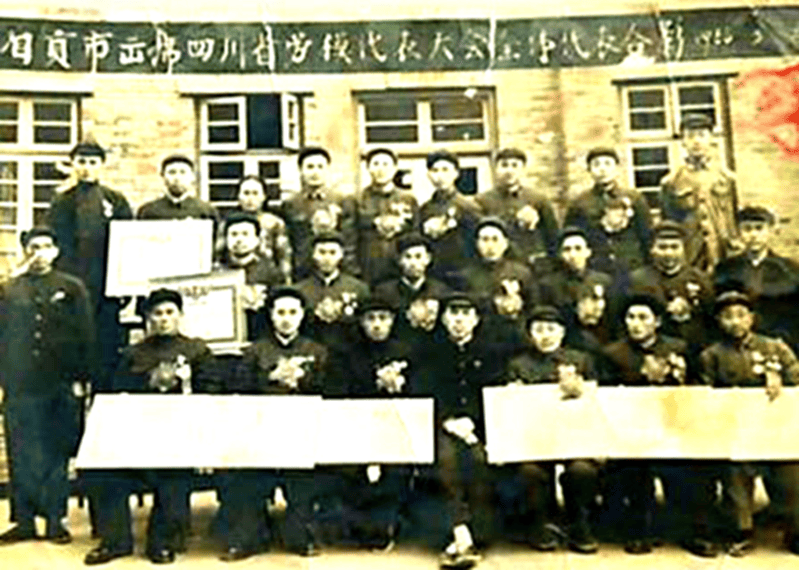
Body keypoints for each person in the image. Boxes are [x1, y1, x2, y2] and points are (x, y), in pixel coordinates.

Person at [84, 289, 216, 565]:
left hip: (180, 436)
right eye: (157, 313)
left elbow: (211, 394)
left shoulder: (197, 350)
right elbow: (118, 394)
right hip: (139, 435)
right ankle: (116, 541)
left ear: (180, 315)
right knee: (105, 473)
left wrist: (186, 384)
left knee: (173, 475)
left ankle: (162, 541)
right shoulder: (133, 353)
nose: (164, 319)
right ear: (147, 318)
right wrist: (148, 383)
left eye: (169, 312)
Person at [602, 294, 718, 557]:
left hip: (674, 424)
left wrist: (675, 380)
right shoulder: (613, 353)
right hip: (631, 430)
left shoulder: (679, 347)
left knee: (695, 464)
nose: (636, 324)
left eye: (643, 318)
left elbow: (698, 385)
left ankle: (695, 532)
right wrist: (642, 380)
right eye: (630, 317)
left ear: (657, 322)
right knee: (633, 466)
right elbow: (606, 395)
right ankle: (639, 530)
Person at [0, 227, 94, 545]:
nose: (39, 253)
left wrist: (81, 379)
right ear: (25, 251)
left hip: (61, 383)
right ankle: (25, 521)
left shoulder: (72, 287)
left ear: (56, 251)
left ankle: (55, 520)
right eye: (33, 247)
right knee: (22, 452)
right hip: (21, 385)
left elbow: (85, 335)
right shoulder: (9, 289)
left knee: (56, 453)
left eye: (45, 246)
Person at [221, 287, 329, 559]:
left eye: (293, 312)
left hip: (301, 430)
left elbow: (329, 390)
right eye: (280, 312)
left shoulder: (316, 351)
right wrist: (270, 378)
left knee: (302, 481)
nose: (286, 319)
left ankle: (299, 535)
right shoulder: (255, 351)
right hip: (261, 429)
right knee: (249, 479)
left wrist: (302, 380)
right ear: (270, 315)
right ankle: (251, 537)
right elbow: (239, 389)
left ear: (302, 315)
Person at [416, 292, 515, 569]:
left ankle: (477, 531)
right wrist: (446, 422)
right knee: (445, 459)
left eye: (465, 314)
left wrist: (474, 422)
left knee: (479, 459)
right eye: (453, 314)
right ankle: (459, 530)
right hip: (441, 425)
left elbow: (495, 394)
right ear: (444, 319)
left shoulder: (490, 352)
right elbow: (423, 392)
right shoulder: (429, 352)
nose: (459, 320)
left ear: (476, 320)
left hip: (478, 426)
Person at [700, 291, 799, 556]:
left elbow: (797, 380)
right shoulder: (712, 355)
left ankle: (794, 529)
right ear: (719, 321)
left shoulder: (775, 348)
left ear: (751, 318)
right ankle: (741, 532)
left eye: (741, 315)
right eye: (727, 316)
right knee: (736, 475)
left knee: (791, 475)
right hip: (735, 432)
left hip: (776, 430)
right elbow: (705, 395)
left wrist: (782, 380)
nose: (735, 322)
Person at [499, 306, 601, 554]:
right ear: (530, 334)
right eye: (538, 330)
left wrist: (581, 391)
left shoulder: (581, 360)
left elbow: (596, 402)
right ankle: (541, 521)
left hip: (574, 433)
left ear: (562, 332)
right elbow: (512, 410)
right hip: (534, 436)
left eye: (551, 329)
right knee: (530, 472)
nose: (545, 335)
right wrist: (514, 394)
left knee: (582, 470)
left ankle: (579, 521)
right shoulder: (519, 364)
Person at [326, 295, 414, 548]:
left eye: (383, 318)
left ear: (392, 321)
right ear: (362, 322)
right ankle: (359, 523)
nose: (377, 324)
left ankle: (385, 522)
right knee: (351, 471)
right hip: (358, 426)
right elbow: (338, 395)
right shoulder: (347, 354)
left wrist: (400, 387)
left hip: (396, 426)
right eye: (371, 319)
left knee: (395, 471)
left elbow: (421, 394)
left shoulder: (406, 351)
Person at [48, 141, 133, 392]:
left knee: (106, 349)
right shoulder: (61, 203)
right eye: (81, 162)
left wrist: (124, 286)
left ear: (102, 166)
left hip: (107, 290)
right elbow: (54, 246)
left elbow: (127, 245)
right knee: (72, 348)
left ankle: (102, 399)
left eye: (93, 162)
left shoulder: (115, 201)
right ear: (73, 165)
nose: (86, 168)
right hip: (72, 288)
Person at [628, 221, 714, 364]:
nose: (669, 253)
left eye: (674, 247)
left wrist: (689, 311)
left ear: (683, 249)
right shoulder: (638, 280)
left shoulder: (699, 278)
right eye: (662, 247)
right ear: (652, 249)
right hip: (654, 355)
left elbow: (711, 318)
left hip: (694, 352)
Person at [660, 113, 739, 269]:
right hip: (690, 256)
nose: (696, 141)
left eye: (702, 135)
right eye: (690, 136)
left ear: (711, 139)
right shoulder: (671, 182)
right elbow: (669, 223)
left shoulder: (727, 178)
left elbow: (737, 217)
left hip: (725, 255)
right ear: (683, 142)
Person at [714, 206, 799, 350]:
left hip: (778, 343)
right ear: (738, 233)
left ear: (770, 231)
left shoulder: (789, 269)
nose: (753, 235)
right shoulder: (726, 268)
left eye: (759, 228)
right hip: (736, 345)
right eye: (747, 229)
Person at [565, 147, 651, 275]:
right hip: (596, 268)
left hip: (631, 266)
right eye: (596, 165)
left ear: (617, 168)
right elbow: (572, 236)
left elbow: (646, 234)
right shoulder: (580, 203)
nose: (602, 169)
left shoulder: (635, 198)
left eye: (607, 164)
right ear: (589, 170)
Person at [474, 148, 558, 274]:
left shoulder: (537, 199)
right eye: (504, 165)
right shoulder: (483, 201)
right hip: (497, 268)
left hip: (531, 267)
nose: (509, 171)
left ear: (522, 169)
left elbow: (552, 237)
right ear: (496, 169)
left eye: (515, 166)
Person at [282, 147, 359, 280]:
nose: (315, 172)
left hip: (336, 271)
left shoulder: (342, 201)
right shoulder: (291, 204)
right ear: (300, 170)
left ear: (327, 170)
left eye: (320, 167)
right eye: (310, 167)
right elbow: (290, 241)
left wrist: (349, 271)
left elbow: (349, 241)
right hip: (303, 271)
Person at [215, 212, 285, 340]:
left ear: (257, 240)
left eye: (245, 234)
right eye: (234, 234)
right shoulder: (216, 272)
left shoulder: (271, 272)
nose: (239, 239)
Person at [294, 232, 370, 349]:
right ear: (313, 255)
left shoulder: (358, 288)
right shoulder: (300, 290)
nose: (327, 258)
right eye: (322, 252)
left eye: (332, 252)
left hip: (348, 350)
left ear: (341, 255)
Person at [356, 148, 420, 286]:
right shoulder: (358, 200)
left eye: (386, 164)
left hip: (400, 271)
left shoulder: (408, 199)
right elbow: (350, 237)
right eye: (376, 164)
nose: (381, 169)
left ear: (395, 168)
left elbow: (415, 234)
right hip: (367, 270)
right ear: (368, 168)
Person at [420, 151, 482, 288]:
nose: (440, 176)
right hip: (434, 275)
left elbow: (477, 242)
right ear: (429, 175)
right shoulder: (425, 209)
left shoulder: (468, 207)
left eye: (445, 170)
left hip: (464, 274)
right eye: (435, 170)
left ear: (456, 173)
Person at [219, 175, 292, 284]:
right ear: (239, 196)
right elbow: (219, 255)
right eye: (246, 193)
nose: (250, 198)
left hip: (266, 277)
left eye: (255, 193)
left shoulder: (275, 223)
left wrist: (286, 280)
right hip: (233, 276)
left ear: (263, 196)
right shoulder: (228, 223)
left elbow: (283, 256)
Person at [459, 218, 535, 321]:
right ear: (477, 243)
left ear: (505, 243)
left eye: (495, 239)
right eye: (485, 240)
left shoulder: (522, 273)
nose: (490, 245)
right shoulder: (466, 275)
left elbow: (532, 305)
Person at [536, 227, 615, 324]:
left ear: (588, 252)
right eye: (567, 250)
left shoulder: (603, 281)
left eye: (578, 248)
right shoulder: (548, 285)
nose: (573, 255)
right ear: (561, 254)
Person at [136, 155, 219, 225]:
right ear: (163, 176)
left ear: (192, 177)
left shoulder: (206, 210)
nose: (177, 178)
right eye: (172, 172)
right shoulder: (148, 211)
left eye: (183, 172)